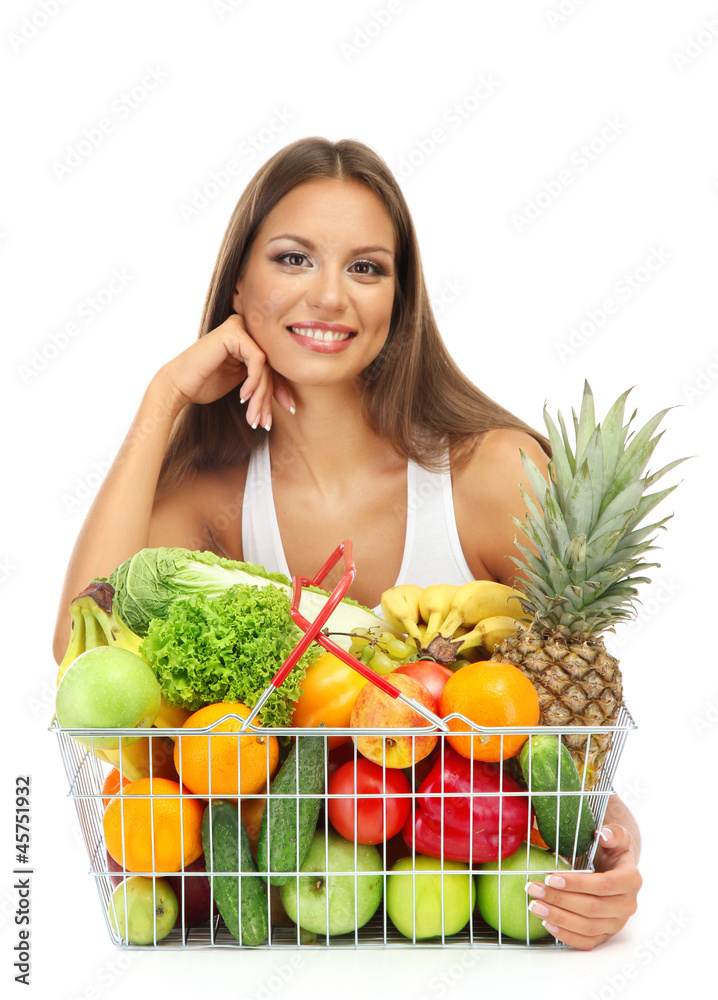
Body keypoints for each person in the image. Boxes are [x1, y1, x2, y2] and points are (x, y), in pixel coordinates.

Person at [52, 136, 641, 950]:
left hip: (475, 934)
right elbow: (82, 661)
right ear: (239, 288)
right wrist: (165, 399)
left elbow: (571, 730)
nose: (330, 296)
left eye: (367, 268)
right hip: (266, 939)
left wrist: (611, 852)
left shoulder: (491, 476)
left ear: (400, 301)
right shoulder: (213, 504)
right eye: (294, 259)